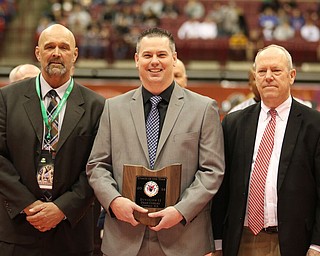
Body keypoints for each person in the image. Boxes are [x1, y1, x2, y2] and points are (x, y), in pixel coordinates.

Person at [86, 27, 225, 256]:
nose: (154, 62)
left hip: (184, 237)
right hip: (125, 237)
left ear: (174, 58)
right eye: (148, 55)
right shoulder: (113, 108)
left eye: (161, 55)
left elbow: (212, 170)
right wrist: (114, 201)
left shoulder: (203, 108)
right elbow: (97, 165)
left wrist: (181, 211)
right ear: (136, 59)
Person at [0, 24, 105, 255]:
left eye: (64, 47)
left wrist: (61, 208)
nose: (56, 52)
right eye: (49, 46)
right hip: (18, 227)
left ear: (75, 54)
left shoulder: (97, 106)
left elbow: (99, 165)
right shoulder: (7, 98)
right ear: (38, 53)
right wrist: (28, 205)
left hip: (71, 230)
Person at [211, 44, 320, 256]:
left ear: (291, 75)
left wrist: (317, 245)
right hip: (242, 240)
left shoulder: (314, 124)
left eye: (276, 70)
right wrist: (217, 241)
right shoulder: (234, 123)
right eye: (262, 71)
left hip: (295, 242)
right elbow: (221, 188)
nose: (268, 76)